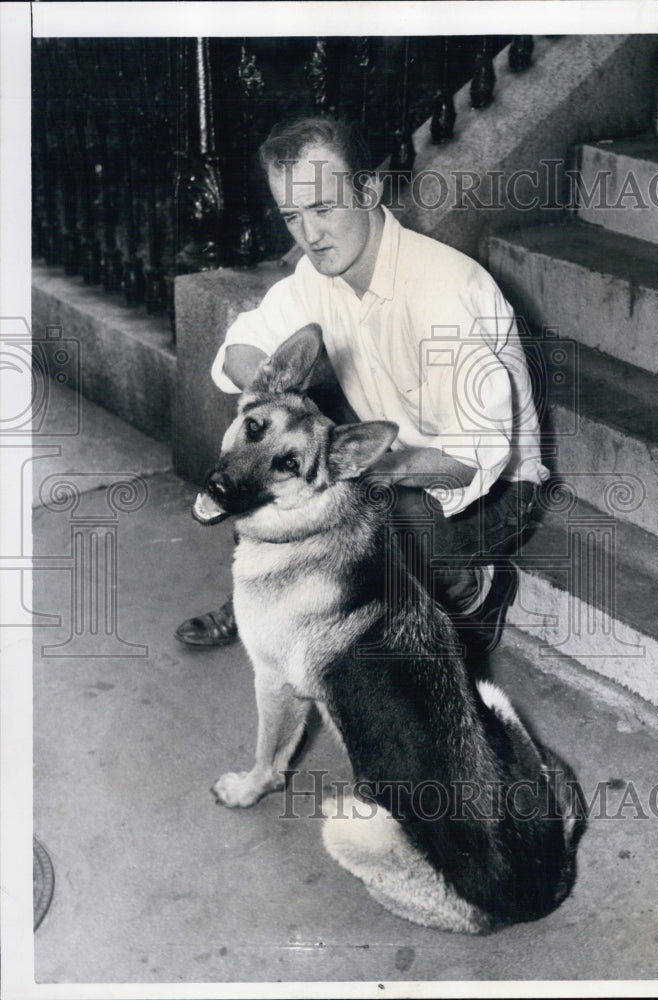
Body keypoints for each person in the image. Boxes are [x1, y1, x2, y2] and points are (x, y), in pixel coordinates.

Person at [176, 115, 548, 657]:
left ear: (369, 189)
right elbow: (239, 349)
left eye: (324, 208)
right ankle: (261, 598)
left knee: (369, 525)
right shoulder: (319, 274)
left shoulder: (444, 292)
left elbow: (473, 462)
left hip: (497, 489)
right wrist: (272, 409)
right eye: (292, 216)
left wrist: (364, 469)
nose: (310, 235)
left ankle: (474, 585)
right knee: (263, 441)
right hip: (400, 454)